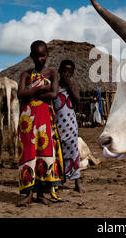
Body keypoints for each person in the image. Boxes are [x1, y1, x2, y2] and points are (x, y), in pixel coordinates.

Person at [16, 40, 65, 207]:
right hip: (27, 120)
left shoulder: (52, 73)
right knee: (28, 154)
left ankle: (42, 194)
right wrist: (39, 89)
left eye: (42, 55)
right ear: (31, 56)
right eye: (36, 55)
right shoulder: (25, 74)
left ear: (47, 55)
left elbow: (53, 94)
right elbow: (20, 94)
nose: (39, 59)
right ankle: (28, 193)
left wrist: (31, 94)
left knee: (45, 154)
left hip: (44, 118)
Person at [54, 60, 85, 192]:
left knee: (73, 152)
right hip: (56, 123)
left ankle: (77, 182)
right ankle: (57, 180)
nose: (66, 74)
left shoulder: (74, 86)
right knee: (57, 152)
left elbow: (77, 101)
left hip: (70, 124)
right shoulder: (54, 85)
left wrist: (69, 85)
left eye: (69, 72)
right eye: (64, 71)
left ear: (72, 73)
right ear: (59, 71)